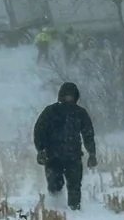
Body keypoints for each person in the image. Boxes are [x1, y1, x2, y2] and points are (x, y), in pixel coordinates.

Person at [33, 82, 98, 211]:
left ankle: (75, 211)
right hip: (52, 157)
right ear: (60, 96)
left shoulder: (80, 113)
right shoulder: (50, 111)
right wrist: (41, 150)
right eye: (66, 96)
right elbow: (39, 131)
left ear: (75, 97)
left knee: (75, 186)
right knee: (54, 186)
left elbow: (88, 134)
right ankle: (56, 210)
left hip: (73, 156)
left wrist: (92, 153)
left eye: (71, 96)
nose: (68, 98)